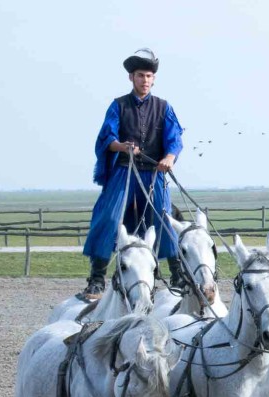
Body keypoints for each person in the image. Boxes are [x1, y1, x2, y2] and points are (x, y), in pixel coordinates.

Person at [81, 48, 186, 299]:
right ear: (131, 77)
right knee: (108, 217)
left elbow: (175, 139)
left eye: (149, 76)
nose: (145, 80)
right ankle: (97, 279)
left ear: (154, 78)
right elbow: (107, 137)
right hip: (124, 172)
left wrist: (169, 158)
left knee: (164, 218)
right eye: (140, 75)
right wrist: (122, 147)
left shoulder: (164, 107)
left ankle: (177, 275)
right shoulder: (118, 105)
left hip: (154, 173)